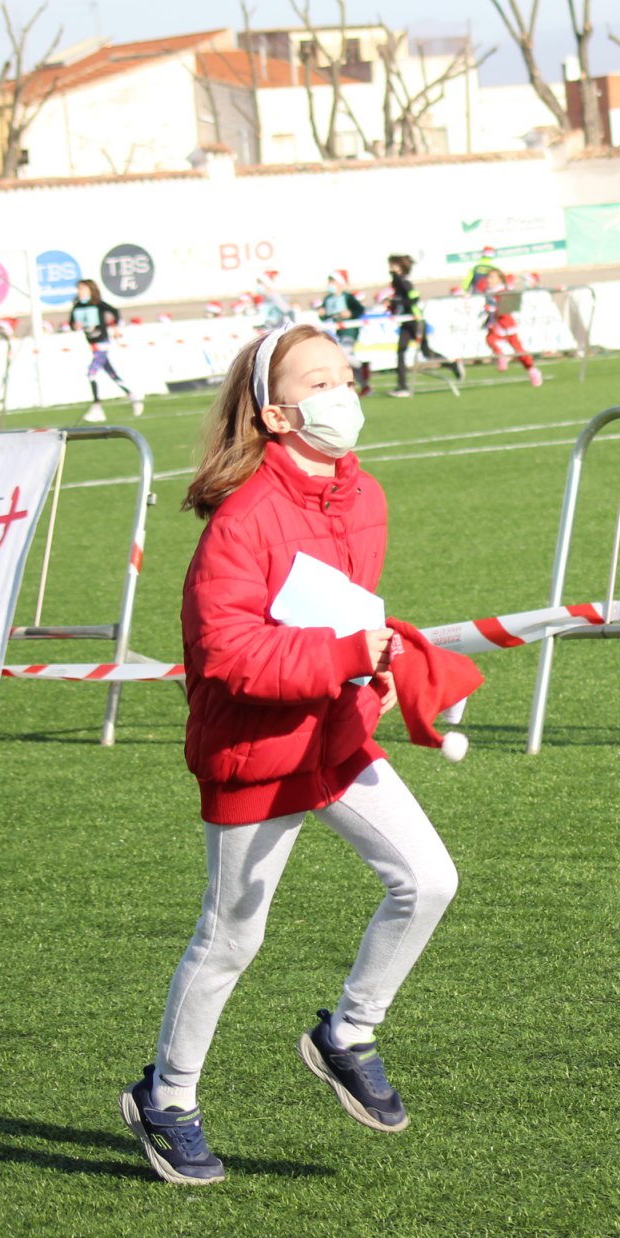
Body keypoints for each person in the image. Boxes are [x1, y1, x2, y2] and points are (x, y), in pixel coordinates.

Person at [121, 323, 482, 1186]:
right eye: (318, 382)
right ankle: (166, 1097)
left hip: (335, 735)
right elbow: (232, 657)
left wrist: (377, 672)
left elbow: (346, 612)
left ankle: (346, 1035)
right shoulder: (242, 520)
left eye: (344, 375)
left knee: (430, 879)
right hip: (253, 746)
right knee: (232, 935)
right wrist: (353, 657)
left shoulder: (365, 496)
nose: (341, 392)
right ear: (277, 414)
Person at [463, 248, 541, 386]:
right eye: (488, 277)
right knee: (490, 338)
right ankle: (502, 356)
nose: (488, 280)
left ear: (499, 279)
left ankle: (532, 370)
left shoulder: (502, 291)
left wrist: (491, 308)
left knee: (518, 350)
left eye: (491, 277)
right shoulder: (488, 290)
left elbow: (504, 307)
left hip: (505, 323)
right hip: (495, 322)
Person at [70, 279, 142, 421]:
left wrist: (116, 328)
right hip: (92, 345)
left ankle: (97, 407)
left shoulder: (98, 304)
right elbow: (72, 323)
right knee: (112, 374)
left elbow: (115, 312)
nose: (80, 292)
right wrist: (75, 325)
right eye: (79, 289)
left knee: (91, 373)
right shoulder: (77, 306)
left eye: (83, 289)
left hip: (102, 344)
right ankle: (133, 396)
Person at [386, 254, 457, 395]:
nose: (390, 267)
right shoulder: (396, 280)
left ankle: (452, 364)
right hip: (406, 321)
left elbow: (413, 298)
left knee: (426, 352)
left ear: (400, 267)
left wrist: (395, 302)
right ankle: (402, 386)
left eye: (393, 265)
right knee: (401, 351)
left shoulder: (403, 281)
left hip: (415, 320)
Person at [317, 270, 369, 393]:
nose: (330, 284)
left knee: (344, 356)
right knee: (346, 359)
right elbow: (325, 317)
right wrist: (322, 314)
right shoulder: (328, 298)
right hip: (336, 332)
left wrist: (350, 313)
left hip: (349, 330)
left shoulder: (348, 297)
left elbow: (360, 310)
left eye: (333, 282)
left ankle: (362, 366)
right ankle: (364, 383)